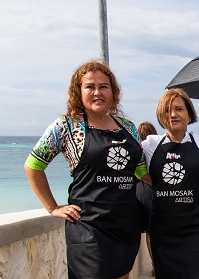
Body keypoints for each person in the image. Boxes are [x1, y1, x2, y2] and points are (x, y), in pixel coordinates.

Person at [24, 60, 150, 279]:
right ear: (78, 92)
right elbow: (33, 166)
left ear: (113, 92)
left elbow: (140, 171)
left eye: (103, 86)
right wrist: (52, 207)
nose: (97, 92)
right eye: (90, 86)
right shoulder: (67, 126)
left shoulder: (128, 127)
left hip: (125, 224)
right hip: (89, 227)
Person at [141, 88, 199, 278]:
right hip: (163, 229)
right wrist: (149, 179)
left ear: (189, 113)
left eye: (179, 109)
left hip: (197, 229)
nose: (173, 114)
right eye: (167, 110)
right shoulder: (150, 144)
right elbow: (129, 163)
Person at [135, 121, 158, 277]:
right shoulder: (156, 148)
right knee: (155, 231)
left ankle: (155, 265)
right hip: (152, 190)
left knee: (148, 232)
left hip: (138, 192)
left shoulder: (136, 148)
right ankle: (159, 264)